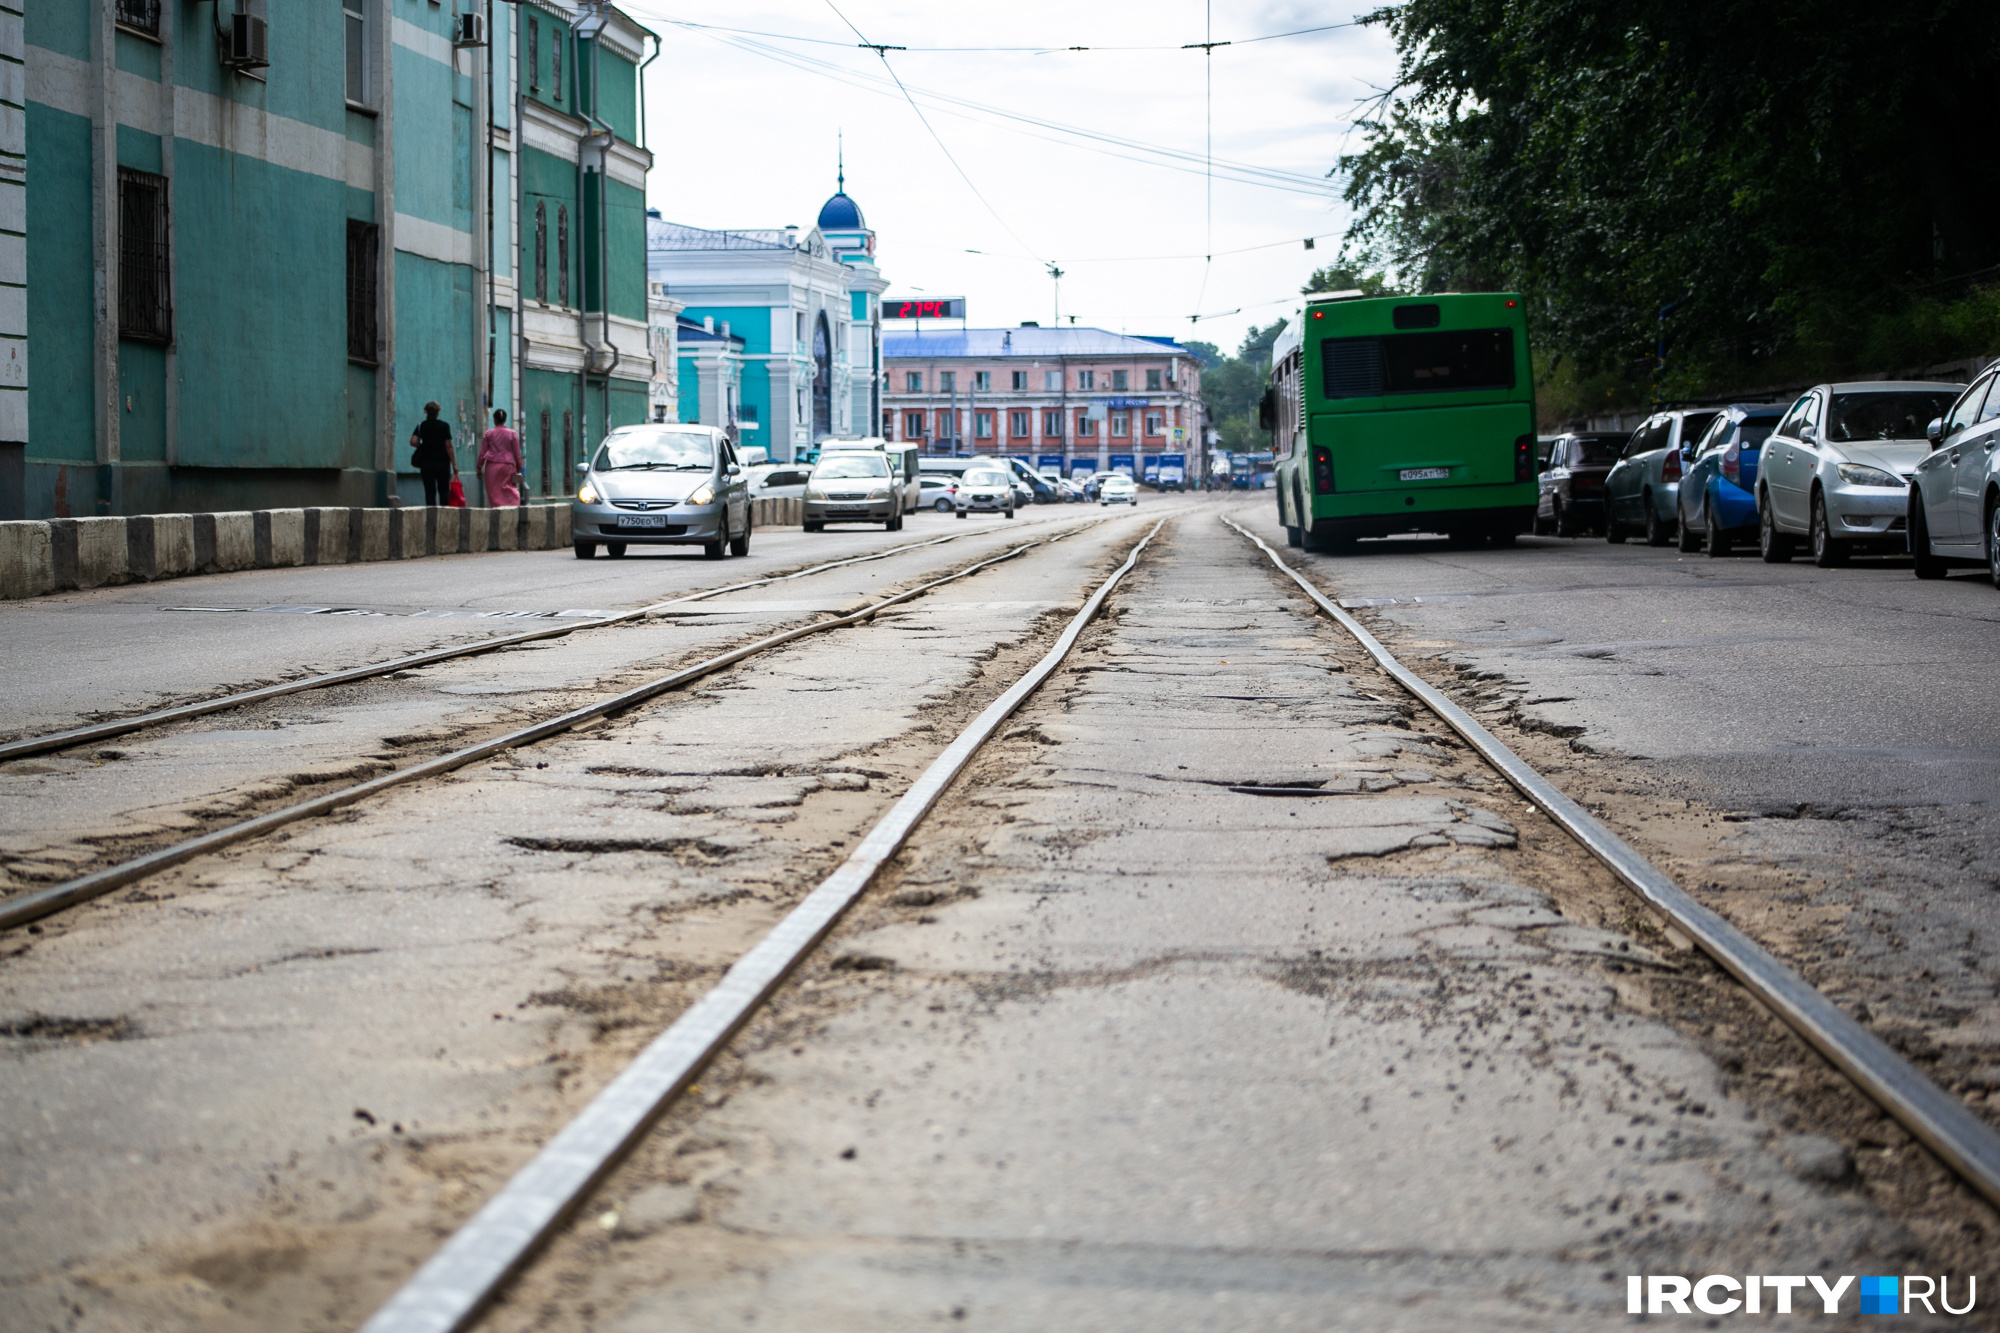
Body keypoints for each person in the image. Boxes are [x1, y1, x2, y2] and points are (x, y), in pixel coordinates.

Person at [409, 402, 457, 506]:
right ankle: (444, 516)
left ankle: (431, 517)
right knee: (444, 491)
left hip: (426, 463)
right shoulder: (444, 426)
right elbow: (448, 446)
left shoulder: (421, 426)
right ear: (438, 412)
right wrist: (454, 464)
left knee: (430, 492)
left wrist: (422, 446)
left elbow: (413, 441)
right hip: (443, 463)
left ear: (426, 412)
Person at [477, 409, 524, 507]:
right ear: (505, 419)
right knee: (510, 489)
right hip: (508, 466)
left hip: (492, 467)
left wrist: (479, 467)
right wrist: (519, 467)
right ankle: (512, 508)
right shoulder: (512, 434)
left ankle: (497, 512)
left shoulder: (489, 434)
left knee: (494, 492)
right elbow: (517, 453)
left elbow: (483, 453)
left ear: (494, 420)